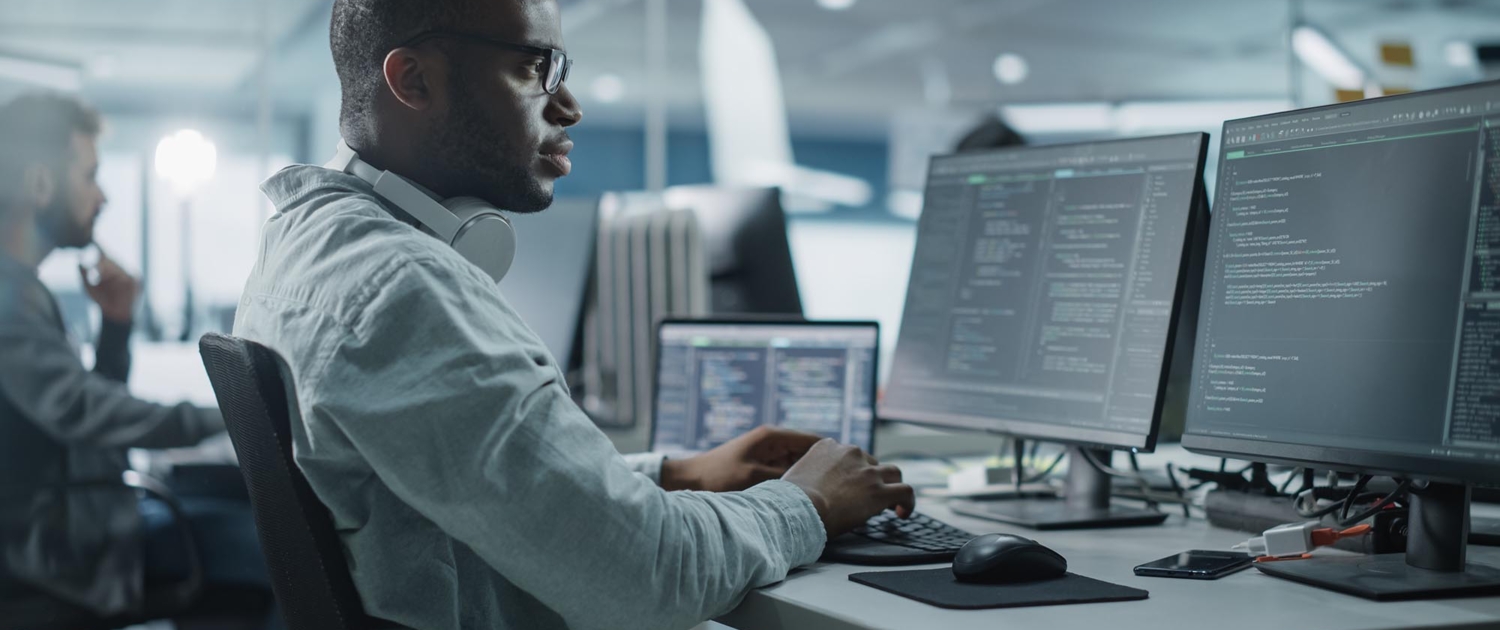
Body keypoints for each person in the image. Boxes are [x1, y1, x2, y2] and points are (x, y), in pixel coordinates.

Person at [233, 0, 915, 628]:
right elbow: (651, 576)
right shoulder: (405, 290)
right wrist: (811, 502)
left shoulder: (307, 243)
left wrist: (671, 475)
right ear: (413, 80)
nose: (569, 106)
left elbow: (469, 488)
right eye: (534, 67)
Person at [0, 93, 272, 627]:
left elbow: (76, 421)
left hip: (76, 517)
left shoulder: (23, 291)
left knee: (253, 524)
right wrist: (242, 411)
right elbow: (86, 413)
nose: (102, 197)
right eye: (89, 175)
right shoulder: (8, 300)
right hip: (53, 547)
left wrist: (117, 327)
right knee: (276, 549)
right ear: (39, 184)